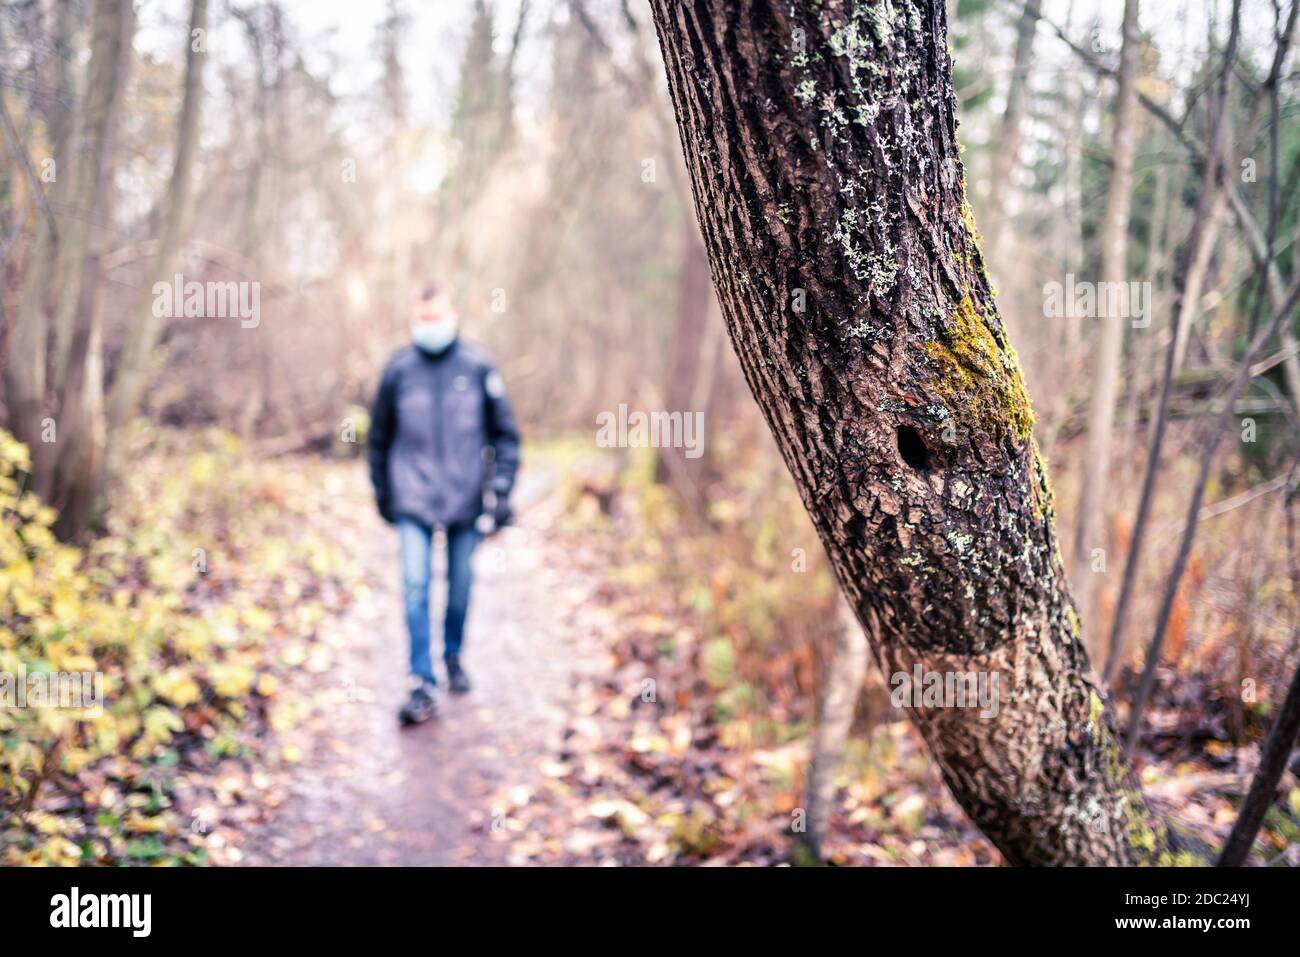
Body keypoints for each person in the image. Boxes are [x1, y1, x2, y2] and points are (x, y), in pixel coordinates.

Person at [367, 282, 521, 725]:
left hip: (465, 500)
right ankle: (421, 679)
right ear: (413, 320)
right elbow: (378, 440)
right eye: (422, 318)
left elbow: (505, 436)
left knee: (460, 587)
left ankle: (452, 655)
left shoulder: (477, 367)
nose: (429, 326)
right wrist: (383, 496)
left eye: (437, 317)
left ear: (453, 316)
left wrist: (501, 492)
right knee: (415, 585)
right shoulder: (398, 370)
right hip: (411, 498)